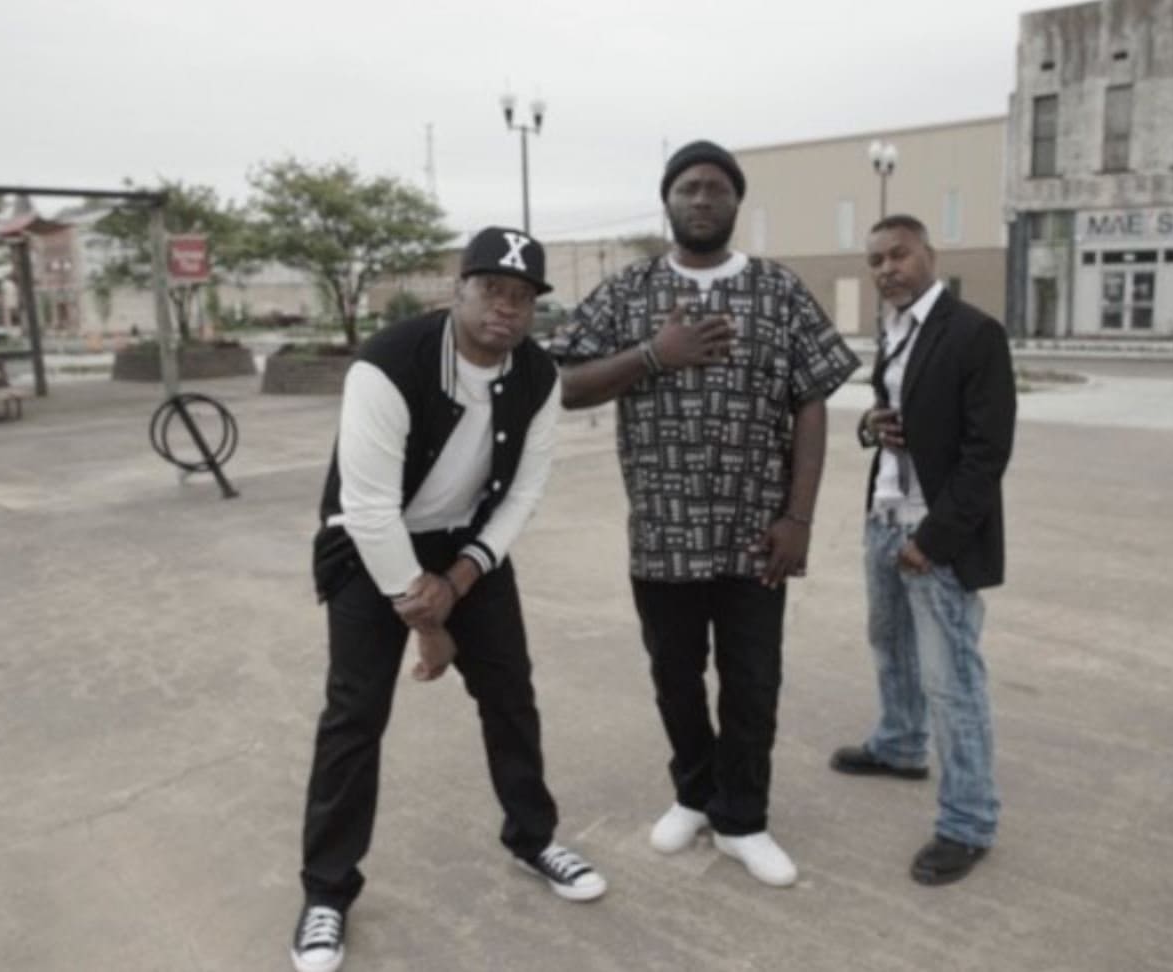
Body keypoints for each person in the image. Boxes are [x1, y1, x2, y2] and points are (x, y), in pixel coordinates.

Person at [292, 227, 606, 972]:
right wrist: (428, 624)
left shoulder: (537, 375)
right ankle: (327, 894)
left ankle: (533, 838)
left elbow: (524, 493)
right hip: (371, 544)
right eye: (492, 289)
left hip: (467, 549)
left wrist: (460, 578)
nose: (507, 307)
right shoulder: (386, 365)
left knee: (510, 696)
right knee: (354, 715)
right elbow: (367, 508)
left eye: (523, 297)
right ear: (457, 290)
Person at [550, 141, 859, 888]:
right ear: (667, 200)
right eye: (686, 187)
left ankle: (743, 820)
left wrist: (800, 517)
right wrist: (656, 354)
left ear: (734, 203)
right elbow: (565, 384)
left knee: (753, 681)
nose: (700, 199)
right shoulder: (628, 293)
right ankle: (695, 795)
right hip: (662, 532)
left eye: (715, 188)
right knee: (676, 676)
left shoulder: (778, 291)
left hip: (757, 535)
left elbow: (812, 400)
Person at [829, 214, 1016, 887]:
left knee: (952, 680)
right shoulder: (895, 333)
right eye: (875, 259)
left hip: (933, 534)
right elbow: (897, 419)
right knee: (890, 649)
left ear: (928, 254)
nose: (885, 269)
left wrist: (931, 541)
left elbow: (986, 453)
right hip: (884, 519)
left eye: (897, 255)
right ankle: (900, 746)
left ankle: (968, 822)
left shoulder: (974, 333)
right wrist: (869, 423)